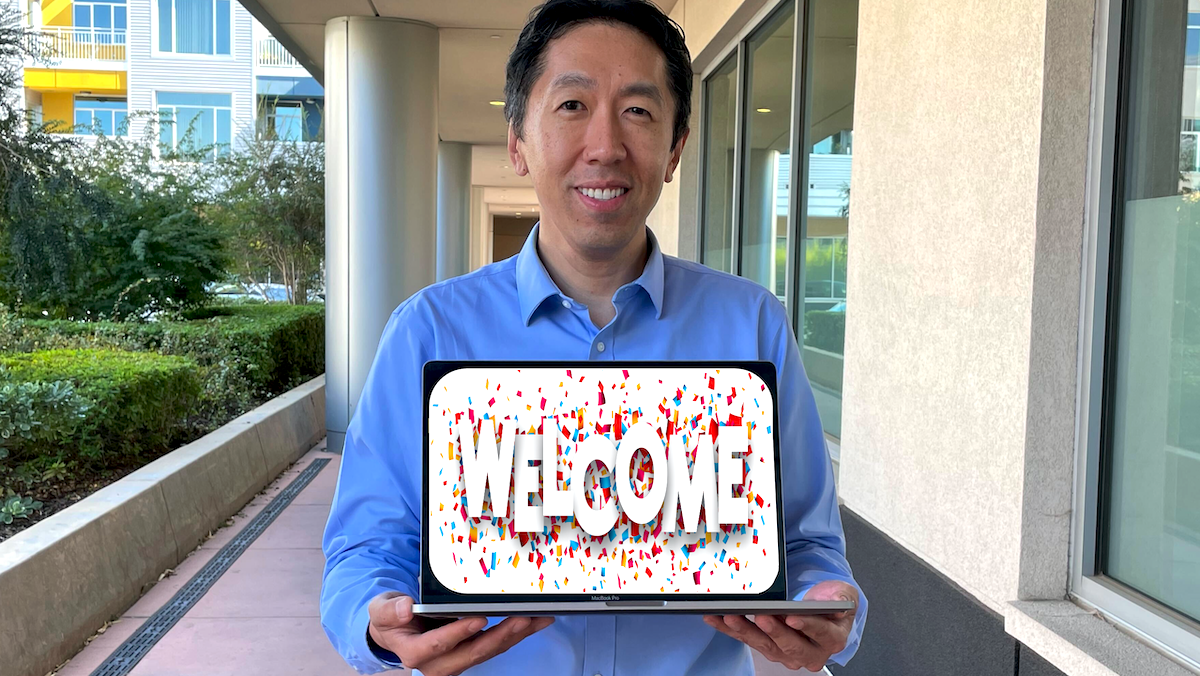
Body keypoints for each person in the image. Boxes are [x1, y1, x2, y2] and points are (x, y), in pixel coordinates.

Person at [319, 1, 868, 673]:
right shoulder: (429, 333)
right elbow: (367, 552)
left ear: (674, 150)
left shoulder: (750, 324)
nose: (606, 146)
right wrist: (377, 621)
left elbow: (807, 543)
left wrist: (828, 604)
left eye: (637, 111)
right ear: (517, 140)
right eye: (573, 105)